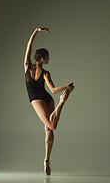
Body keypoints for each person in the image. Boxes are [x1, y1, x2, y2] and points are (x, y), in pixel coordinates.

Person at [24, 27, 74, 175]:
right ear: (42, 58)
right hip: (39, 99)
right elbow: (52, 90)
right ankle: (62, 101)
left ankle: (47, 158)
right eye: (48, 57)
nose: (49, 59)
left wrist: (35, 31)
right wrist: (66, 88)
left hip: (42, 98)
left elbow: (28, 45)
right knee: (52, 125)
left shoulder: (29, 66)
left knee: (49, 128)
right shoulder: (40, 70)